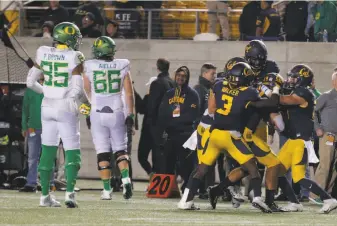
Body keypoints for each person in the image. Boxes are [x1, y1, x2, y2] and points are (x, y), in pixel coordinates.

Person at [178, 62, 280, 213]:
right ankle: (257, 197)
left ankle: (186, 200)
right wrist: (276, 88)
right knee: (252, 165)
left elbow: (212, 107)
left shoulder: (219, 85)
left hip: (213, 133)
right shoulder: (249, 92)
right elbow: (271, 103)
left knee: (202, 168)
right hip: (231, 135)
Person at [26, 22, 84, 208]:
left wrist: (47, 92)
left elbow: (30, 82)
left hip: (47, 106)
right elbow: (77, 89)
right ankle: (70, 194)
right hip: (66, 106)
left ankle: (44, 197)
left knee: (48, 150)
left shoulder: (43, 51)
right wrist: (85, 105)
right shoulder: (74, 56)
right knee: (72, 149)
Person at [276, 64, 337, 214]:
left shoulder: (304, 93)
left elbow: (282, 100)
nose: (290, 80)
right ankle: (294, 202)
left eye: (294, 77)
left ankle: (328, 199)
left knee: (297, 177)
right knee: (275, 171)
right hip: (293, 139)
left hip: (300, 141)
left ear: (302, 80)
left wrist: (273, 89)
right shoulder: (299, 91)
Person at [81, 36, 134, 200]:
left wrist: (88, 112)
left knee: (102, 151)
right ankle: (126, 180)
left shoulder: (89, 66)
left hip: (97, 112)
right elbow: (129, 93)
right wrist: (130, 114)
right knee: (120, 149)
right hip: (116, 110)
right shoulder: (122, 65)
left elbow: (86, 92)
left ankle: (106, 190)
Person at [156, 66, 200, 192]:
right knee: (168, 162)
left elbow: (192, 115)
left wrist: (174, 120)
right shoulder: (169, 93)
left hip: (185, 134)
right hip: (170, 134)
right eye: (178, 75)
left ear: (187, 78)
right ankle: (169, 189)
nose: (180, 78)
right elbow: (162, 112)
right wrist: (166, 127)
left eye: (183, 76)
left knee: (185, 164)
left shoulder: (192, 94)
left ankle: (188, 188)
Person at [146, 58, 175, 173]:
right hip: (171, 124)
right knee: (168, 154)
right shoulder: (173, 82)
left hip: (158, 124)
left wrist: (151, 123)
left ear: (157, 67)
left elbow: (152, 105)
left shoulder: (157, 83)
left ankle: (159, 181)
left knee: (158, 154)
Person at [312, 72, 337, 202]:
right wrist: (318, 128)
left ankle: (327, 194)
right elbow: (314, 112)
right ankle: (316, 195)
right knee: (325, 165)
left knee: (334, 167)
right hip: (328, 135)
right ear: (334, 81)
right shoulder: (326, 96)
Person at [193, 63, 216, 199]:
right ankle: (201, 188)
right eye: (212, 74)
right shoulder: (199, 89)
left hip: (211, 130)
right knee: (202, 162)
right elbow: (196, 111)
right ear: (204, 74)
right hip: (202, 130)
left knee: (209, 162)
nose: (214, 76)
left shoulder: (211, 89)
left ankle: (207, 188)